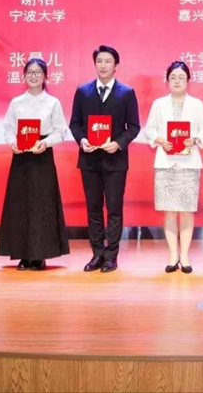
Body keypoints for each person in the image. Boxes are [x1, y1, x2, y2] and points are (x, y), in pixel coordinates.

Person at [69, 45, 141, 273]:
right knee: (93, 208)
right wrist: (82, 140)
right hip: (89, 160)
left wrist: (118, 143)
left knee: (114, 209)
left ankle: (112, 256)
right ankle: (97, 253)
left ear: (116, 65)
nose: (103, 65)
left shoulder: (126, 93)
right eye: (99, 61)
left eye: (108, 61)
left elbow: (134, 127)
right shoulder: (83, 91)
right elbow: (75, 124)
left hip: (115, 161)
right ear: (95, 64)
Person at [0, 58, 69, 271]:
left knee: (42, 205)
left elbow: (61, 131)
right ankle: (23, 254)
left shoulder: (52, 102)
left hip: (42, 156)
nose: (34, 76)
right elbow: (8, 128)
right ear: (24, 76)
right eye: (30, 72)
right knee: (20, 204)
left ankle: (39, 255)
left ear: (45, 76)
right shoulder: (17, 102)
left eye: (38, 72)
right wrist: (12, 143)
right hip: (21, 157)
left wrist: (45, 143)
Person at [143, 61, 203, 274]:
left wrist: (195, 139)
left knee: (187, 210)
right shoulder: (159, 104)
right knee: (169, 211)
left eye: (181, 77)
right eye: (173, 77)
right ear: (167, 81)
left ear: (188, 80)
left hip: (189, 164)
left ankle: (186, 255)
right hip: (165, 162)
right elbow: (149, 129)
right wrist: (160, 140)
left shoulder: (197, 105)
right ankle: (173, 254)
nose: (177, 81)